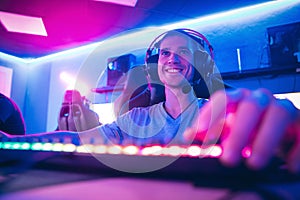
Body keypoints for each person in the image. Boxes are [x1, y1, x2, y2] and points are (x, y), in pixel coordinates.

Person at [1, 29, 299, 174]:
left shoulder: (222, 113)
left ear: (199, 65)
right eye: (165, 53)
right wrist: (13, 143)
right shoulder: (136, 118)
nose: (172, 58)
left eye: (183, 52)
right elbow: (77, 139)